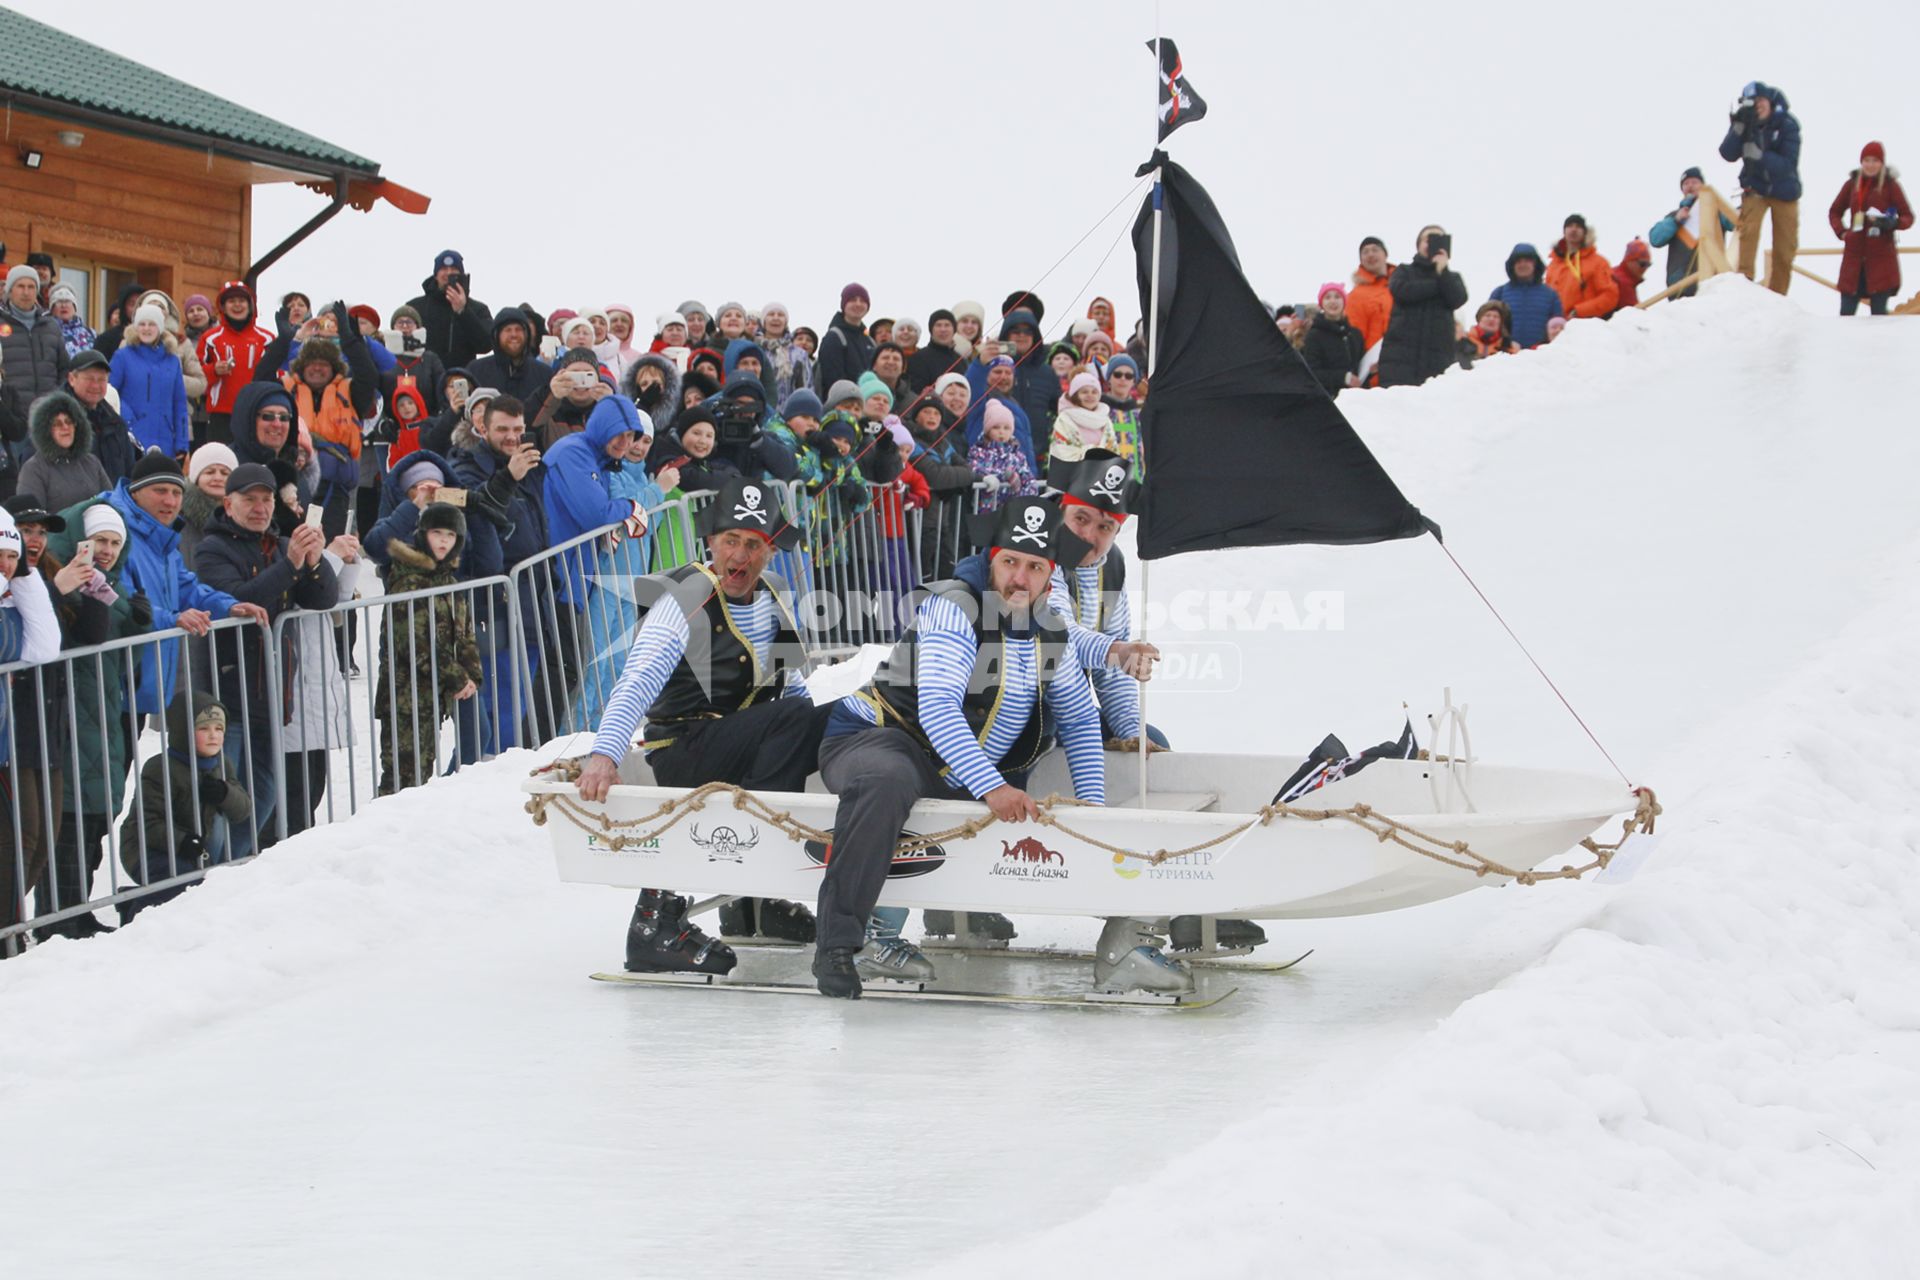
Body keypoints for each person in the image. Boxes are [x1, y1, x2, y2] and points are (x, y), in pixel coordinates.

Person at [808, 497, 1108, 997]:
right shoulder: (955, 607)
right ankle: (838, 943)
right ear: (990, 560)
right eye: (1009, 561)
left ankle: (957, 902)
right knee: (887, 782)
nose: (1019, 578)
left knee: (1014, 770)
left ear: (1049, 577)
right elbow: (940, 710)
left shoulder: (1051, 627)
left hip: (957, 763)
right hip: (880, 737)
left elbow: (1078, 719)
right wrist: (992, 787)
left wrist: (1095, 810)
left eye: (1034, 567)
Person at [574, 475, 832, 968]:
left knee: (822, 717)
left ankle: (752, 904)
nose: (740, 555)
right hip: (683, 746)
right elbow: (639, 677)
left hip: (737, 741)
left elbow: (793, 687)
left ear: (770, 551)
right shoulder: (686, 596)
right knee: (797, 719)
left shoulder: (773, 596)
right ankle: (667, 918)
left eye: (753, 544)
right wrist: (605, 753)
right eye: (730, 540)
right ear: (710, 542)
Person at [186, 462, 339, 849]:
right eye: (249, 499)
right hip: (228, 696)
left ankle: (235, 864)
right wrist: (290, 566)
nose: (259, 507)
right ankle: (218, 871)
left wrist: (316, 560)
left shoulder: (280, 545)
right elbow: (241, 599)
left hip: (273, 698)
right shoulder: (212, 548)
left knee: (265, 795)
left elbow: (322, 598)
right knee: (225, 797)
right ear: (228, 503)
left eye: (266, 499)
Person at [36, 501, 145, 937]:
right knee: (70, 817)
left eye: (115, 542)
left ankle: (75, 908)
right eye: (100, 539)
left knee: (99, 813)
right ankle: (57, 916)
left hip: (101, 706)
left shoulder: (109, 586)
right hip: (67, 709)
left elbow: (123, 659)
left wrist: (136, 623)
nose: (107, 549)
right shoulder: (57, 580)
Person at [0, 494, 98, 951]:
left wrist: (92, 585)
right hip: (12, 733)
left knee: (43, 846)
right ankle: (9, 933)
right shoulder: (33, 583)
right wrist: (54, 589)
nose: (34, 539)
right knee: (23, 840)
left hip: (48, 724)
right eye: (25, 530)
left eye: (41, 531)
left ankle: (10, 928)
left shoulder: (45, 575)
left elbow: (77, 638)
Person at [451, 395, 550, 751]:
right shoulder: (467, 466)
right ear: (482, 428)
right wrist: (508, 476)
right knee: (499, 705)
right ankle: (478, 783)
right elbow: (470, 506)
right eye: (503, 429)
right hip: (492, 599)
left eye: (518, 429)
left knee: (519, 698)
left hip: (531, 595)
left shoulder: (530, 466)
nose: (512, 437)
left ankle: (479, 777)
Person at [116, 691, 253, 922]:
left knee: (202, 886)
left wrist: (225, 793)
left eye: (219, 729)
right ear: (183, 731)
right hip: (147, 850)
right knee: (185, 883)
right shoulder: (160, 768)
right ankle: (136, 913)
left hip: (193, 851)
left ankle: (132, 898)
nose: (213, 736)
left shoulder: (221, 765)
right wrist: (182, 841)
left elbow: (243, 810)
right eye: (204, 729)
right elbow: (147, 823)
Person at [376, 503, 483, 794]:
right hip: (405, 696)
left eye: (450, 534)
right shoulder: (408, 581)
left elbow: (464, 633)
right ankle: (382, 834)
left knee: (421, 771)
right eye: (437, 532)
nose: (444, 540)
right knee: (402, 777)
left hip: (432, 695)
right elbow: (414, 642)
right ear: (424, 534)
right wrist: (456, 677)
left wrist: (472, 674)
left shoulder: (447, 581)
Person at [258, 302, 380, 534]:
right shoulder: (285, 390)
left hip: (335, 488)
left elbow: (369, 374)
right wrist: (286, 341)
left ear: (334, 368)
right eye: (311, 365)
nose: (316, 369)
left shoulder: (351, 392)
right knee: (290, 541)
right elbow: (260, 378)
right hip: (292, 483)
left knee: (329, 546)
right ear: (301, 367)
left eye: (323, 365)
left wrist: (348, 337)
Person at [1719, 81, 1803, 295]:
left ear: (1770, 101)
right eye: (1752, 102)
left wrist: (1760, 156)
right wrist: (1738, 127)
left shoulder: (1787, 124)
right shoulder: (1745, 123)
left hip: (1785, 192)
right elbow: (1727, 153)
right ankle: (1744, 286)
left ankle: (1778, 295)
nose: (1757, 106)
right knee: (1748, 234)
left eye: (1761, 101)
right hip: (1754, 188)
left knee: (1785, 249)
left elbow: (1788, 164)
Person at [1828, 142, 1913, 316]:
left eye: (1875, 160)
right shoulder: (1851, 184)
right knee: (1845, 316)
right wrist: (1842, 232)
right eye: (1866, 160)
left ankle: (1880, 345)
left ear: (1882, 163)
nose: (1870, 164)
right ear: (1861, 162)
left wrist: (1893, 223)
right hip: (1853, 260)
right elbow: (1834, 211)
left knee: (1879, 320)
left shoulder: (1891, 185)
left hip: (1881, 261)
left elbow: (1908, 217)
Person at [1377, 227, 1468, 389]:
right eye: (1428, 239)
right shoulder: (1404, 271)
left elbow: (1458, 299)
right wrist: (1438, 286)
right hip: (1400, 359)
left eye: (1439, 239)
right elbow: (1402, 290)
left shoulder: (1452, 277)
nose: (1432, 243)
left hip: (1437, 359)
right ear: (1418, 244)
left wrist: (1442, 272)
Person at [197, 281, 274, 444]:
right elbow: (196, 374)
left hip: (257, 412)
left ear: (250, 305)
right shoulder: (210, 338)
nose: (237, 305)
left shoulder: (266, 338)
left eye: (242, 300)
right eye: (231, 301)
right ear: (223, 307)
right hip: (221, 416)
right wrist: (214, 370)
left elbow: (278, 373)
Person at [109, 303, 190, 456]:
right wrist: (128, 418)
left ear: (160, 328)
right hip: (131, 435)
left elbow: (179, 403)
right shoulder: (123, 356)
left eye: (152, 324)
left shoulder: (172, 361)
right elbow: (109, 392)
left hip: (165, 438)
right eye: (142, 324)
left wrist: (182, 442)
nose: (146, 329)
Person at [1648, 167, 1734, 301]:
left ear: (1703, 186)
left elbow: (1733, 224)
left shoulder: (1715, 210)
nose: (1690, 186)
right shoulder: (1674, 216)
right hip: (1679, 288)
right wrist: (1676, 220)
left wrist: (1718, 207)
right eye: (1686, 183)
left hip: (1712, 283)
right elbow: (1655, 239)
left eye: (1694, 182)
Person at [21, 390, 112, 514]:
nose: (65, 427)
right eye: (57, 423)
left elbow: (110, 503)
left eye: (69, 421)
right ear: (44, 430)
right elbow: (32, 520)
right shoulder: (34, 469)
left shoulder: (92, 462)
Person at [402, 249, 494, 368]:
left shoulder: (478, 309)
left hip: (461, 379)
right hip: (424, 379)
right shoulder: (415, 307)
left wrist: (463, 311)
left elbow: (486, 345)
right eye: (444, 269)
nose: (448, 273)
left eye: (454, 269)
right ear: (436, 275)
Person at [1, 265, 68, 414]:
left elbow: (64, 369)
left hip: (48, 416)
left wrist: (59, 400)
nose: (26, 292)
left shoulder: (51, 326)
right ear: (10, 289)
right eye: (20, 286)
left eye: (31, 287)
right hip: (11, 419)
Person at [63, 350, 138, 482]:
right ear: (72, 379)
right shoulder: (58, 420)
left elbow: (130, 471)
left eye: (102, 379)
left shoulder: (115, 422)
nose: (96, 385)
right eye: (89, 379)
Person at [467, 307, 551, 408]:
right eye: (508, 330)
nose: (514, 334)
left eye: (518, 329)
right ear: (497, 335)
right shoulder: (476, 370)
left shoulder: (544, 373)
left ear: (527, 334)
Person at [1487, 244, 1564, 348]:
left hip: (1541, 357)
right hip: (1506, 356)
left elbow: (1558, 328)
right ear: (1512, 266)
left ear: (1535, 264)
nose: (1522, 264)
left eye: (1527, 260)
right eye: (1518, 261)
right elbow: (1487, 326)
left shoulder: (1550, 295)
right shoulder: (1499, 293)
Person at [1545, 215, 1619, 320]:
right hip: (1556, 328)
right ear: (1564, 231)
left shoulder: (1598, 262)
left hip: (1585, 327)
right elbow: (1546, 299)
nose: (1574, 229)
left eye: (1578, 226)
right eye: (1570, 226)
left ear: (1585, 233)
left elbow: (1609, 296)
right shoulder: (1553, 265)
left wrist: (1580, 311)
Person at [1299, 284, 1366, 397]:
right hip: (1328, 400)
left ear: (1344, 302)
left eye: (1337, 297)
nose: (1333, 301)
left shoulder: (1355, 334)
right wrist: (1343, 378)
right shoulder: (1314, 336)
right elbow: (1312, 373)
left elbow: (1360, 366)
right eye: (1328, 297)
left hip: (1355, 399)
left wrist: (1370, 370)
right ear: (1321, 304)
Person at [179, 442, 238, 567]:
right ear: (196, 477)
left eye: (224, 473)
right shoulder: (180, 519)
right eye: (210, 472)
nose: (217, 478)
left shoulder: (242, 519)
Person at [1049, 370, 1119, 468]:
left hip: (1102, 478)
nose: (1090, 395)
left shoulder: (1105, 420)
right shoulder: (1065, 419)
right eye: (1084, 392)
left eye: (1094, 392)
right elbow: (1061, 453)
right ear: (1075, 395)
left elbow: (1113, 450)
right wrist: (1092, 452)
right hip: (1072, 479)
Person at [815, 282, 875, 393]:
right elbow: (832, 379)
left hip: (868, 402)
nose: (858, 304)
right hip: (844, 404)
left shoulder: (869, 341)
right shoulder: (834, 337)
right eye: (853, 300)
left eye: (862, 301)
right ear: (844, 305)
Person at [1347, 236, 1396, 362]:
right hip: (1373, 368)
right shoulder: (1355, 296)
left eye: (1375, 250)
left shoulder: (1402, 287)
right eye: (1365, 252)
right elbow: (1353, 338)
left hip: (1406, 362)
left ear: (1385, 254)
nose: (1370, 254)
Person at [1457, 302, 1520, 366]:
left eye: (1496, 316)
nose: (1491, 319)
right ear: (1479, 319)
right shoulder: (1464, 341)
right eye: (1487, 315)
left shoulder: (1509, 346)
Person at [47, 284, 95, 358]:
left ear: (74, 307)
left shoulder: (90, 333)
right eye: (59, 302)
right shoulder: (46, 332)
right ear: (52, 309)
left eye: (67, 301)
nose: (64, 305)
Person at [1611, 240, 1655, 311]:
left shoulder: (1614, 272)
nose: (1645, 268)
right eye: (1642, 264)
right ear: (1630, 260)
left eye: (1648, 265)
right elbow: (1635, 313)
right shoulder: (1624, 282)